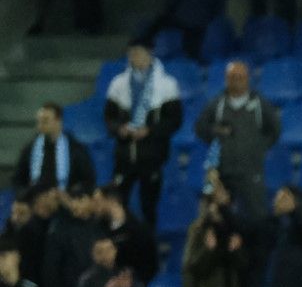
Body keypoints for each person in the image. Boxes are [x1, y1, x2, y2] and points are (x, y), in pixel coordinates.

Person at [103, 43, 182, 222]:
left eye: (138, 53)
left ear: (150, 54)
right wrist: (119, 129)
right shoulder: (118, 83)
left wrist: (150, 131)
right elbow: (109, 118)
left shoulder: (167, 85)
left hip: (152, 156)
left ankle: (147, 246)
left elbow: (174, 121)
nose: (134, 57)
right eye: (131, 53)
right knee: (117, 205)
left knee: (149, 207)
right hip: (124, 156)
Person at [194, 62, 282, 222]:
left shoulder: (259, 104)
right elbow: (200, 128)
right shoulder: (217, 104)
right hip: (223, 172)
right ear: (226, 79)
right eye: (233, 77)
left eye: (241, 77)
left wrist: (259, 146)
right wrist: (217, 133)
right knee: (219, 217)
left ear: (248, 79)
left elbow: (275, 130)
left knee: (257, 217)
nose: (237, 81)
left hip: (251, 172)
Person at [13, 104, 97, 199]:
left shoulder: (76, 149)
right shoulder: (30, 149)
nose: (40, 125)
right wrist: (27, 196)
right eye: (39, 121)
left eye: (45, 121)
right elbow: (18, 180)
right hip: (36, 203)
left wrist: (68, 195)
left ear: (58, 121)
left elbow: (88, 181)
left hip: (65, 203)